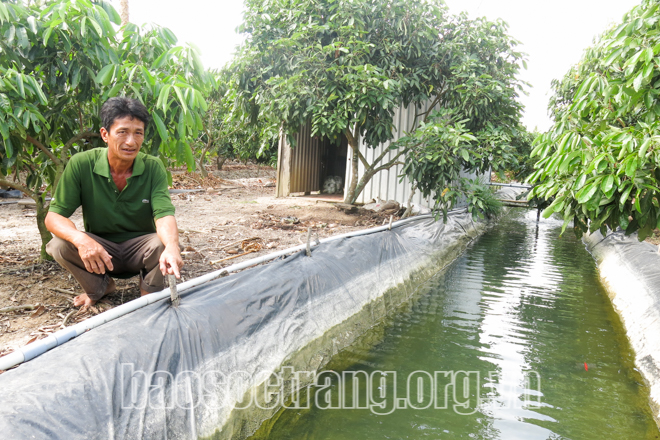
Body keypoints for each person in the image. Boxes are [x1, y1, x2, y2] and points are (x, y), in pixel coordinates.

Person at [45, 97, 183, 308]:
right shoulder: (81, 164)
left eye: (138, 133)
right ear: (104, 135)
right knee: (59, 245)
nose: (131, 141)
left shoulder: (153, 167)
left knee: (163, 243)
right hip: (101, 250)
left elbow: (164, 215)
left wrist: (172, 247)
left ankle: (149, 291)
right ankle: (100, 287)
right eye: (123, 132)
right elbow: (54, 216)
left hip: (140, 249)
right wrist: (82, 241)